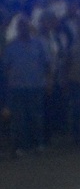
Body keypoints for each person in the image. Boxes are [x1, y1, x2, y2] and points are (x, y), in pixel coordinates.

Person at [1, 15, 51, 155]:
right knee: (20, 119)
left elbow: (47, 64)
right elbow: (6, 67)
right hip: (18, 87)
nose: (23, 29)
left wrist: (48, 81)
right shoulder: (12, 47)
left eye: (25, 26)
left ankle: (38, 143)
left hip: (36, 86)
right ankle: (22, 145)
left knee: (37, 117)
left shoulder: (39, 44)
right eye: (21, 27)